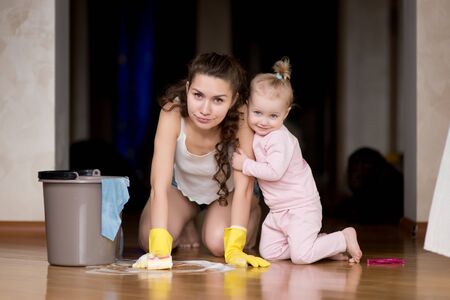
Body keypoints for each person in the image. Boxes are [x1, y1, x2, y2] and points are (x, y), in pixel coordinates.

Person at [138, 52, 270, 268]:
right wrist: (160, 250)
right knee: (149, 241)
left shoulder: (242, 117)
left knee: (219, 244)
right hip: (182, 189)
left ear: (234, 99)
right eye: (198, 95)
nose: (205, 110)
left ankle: (252, 216)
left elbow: (244, 187)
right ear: (188, 88)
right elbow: (158, 186)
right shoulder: (172, 112)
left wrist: (235, 247)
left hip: (230, 192)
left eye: (218, 100)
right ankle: (186, 222)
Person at [231, 57, 362, 264]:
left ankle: (342, 238)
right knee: (270, 253)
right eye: (257, 113)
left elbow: (274, 172)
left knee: (300, 257)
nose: (263, 122)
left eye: (273, 116)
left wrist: (245, 165)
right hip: (278, 210)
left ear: (286, 113)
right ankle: (320, 246)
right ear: (247, 107)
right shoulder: (258, 134)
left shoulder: (279, 139)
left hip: (300, 207)